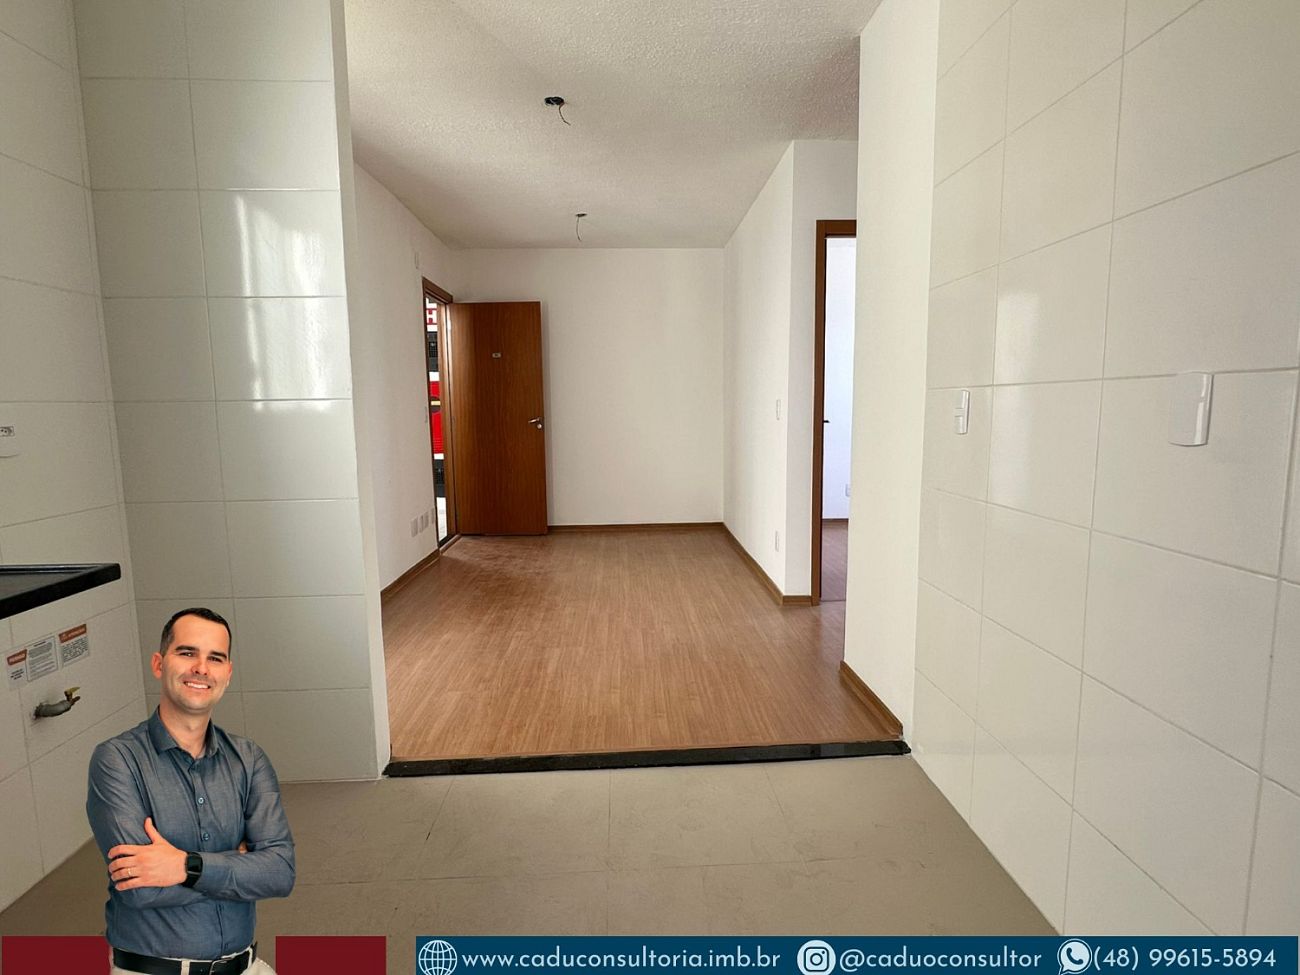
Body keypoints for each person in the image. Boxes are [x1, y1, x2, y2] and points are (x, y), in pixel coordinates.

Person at [86, 608, 294, 975]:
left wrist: (184, 866)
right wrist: (238, 866)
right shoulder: (117, 760)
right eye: (187, 653)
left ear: (227, 673)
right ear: (158, 664)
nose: (201, 668)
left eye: (215, 658)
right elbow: (140, 888)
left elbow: (278, 872)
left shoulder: (248, 759)